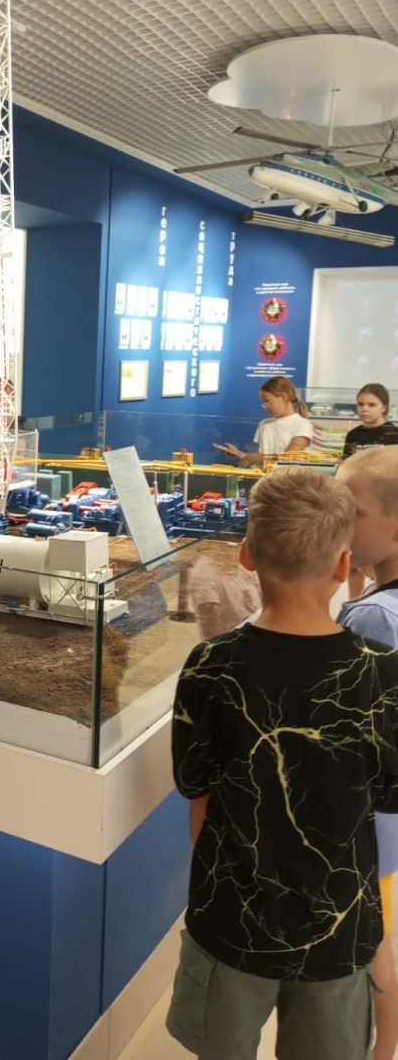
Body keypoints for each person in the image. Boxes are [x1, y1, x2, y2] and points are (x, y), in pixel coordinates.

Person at [167, 466, 398, 1060]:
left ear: (246, 555)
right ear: (344, 565)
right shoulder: (383, 673)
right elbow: (387, 797)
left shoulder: (210, 666)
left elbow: (197, 792)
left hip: (230, 916)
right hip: (338, 924)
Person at [337, 447, 398, 1060]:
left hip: (362, 828)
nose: (337, 523)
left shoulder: (373, 621)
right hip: (387, 824)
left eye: (350, 512)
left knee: (370, 943)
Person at [217, 375, 313, 466]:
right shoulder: (264, 424)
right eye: (264, 403)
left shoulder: (303, 424)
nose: (266, 407)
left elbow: (290, 457)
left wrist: (253, 458)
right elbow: (262, 457)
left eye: (268, 402)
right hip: (265, 475)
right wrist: (240, 454)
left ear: (284, 397)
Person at [343, 383, 398, 458]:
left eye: (371, 405)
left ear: (383, 407)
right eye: (360, 404)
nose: (364, 409)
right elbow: (347, 463)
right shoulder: (353, 434)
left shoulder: (394, 434)